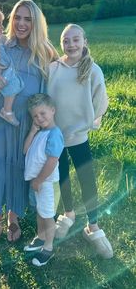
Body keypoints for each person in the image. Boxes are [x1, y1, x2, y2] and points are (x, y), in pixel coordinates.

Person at [0, 0, 58, 242]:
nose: (21, 23)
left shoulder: (45, 53)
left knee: (18, 167)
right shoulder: (2, 44)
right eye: (17, 17)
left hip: (26, 123)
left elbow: (57, 84)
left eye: (28, 19)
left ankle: (12, 217)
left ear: (36, 23)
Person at [48, 23, 113, 259]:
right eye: (66, 40)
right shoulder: (54, 68)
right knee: (62, 175)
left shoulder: (92, 69)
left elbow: (101, 100)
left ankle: (93, 226)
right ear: (61, 44)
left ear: (84, 41)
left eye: (76, 39)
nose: (71, 44)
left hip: (79, 136)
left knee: (87, 180)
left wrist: (91, 121)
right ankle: (68, 213)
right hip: (56, 135)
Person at [23, 94, 64, 267]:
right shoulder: (40, 132)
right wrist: (32, 131)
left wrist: (39, 180)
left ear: (52, 110)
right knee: (41, 212)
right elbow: (25, 151)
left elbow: (52, 161)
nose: (39, 118)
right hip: (39, 182)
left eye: (43, 113)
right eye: (35, 116)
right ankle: (41, 237)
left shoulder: (54, 134)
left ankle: (48, 247)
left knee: (47, 215)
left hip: (46, 182)